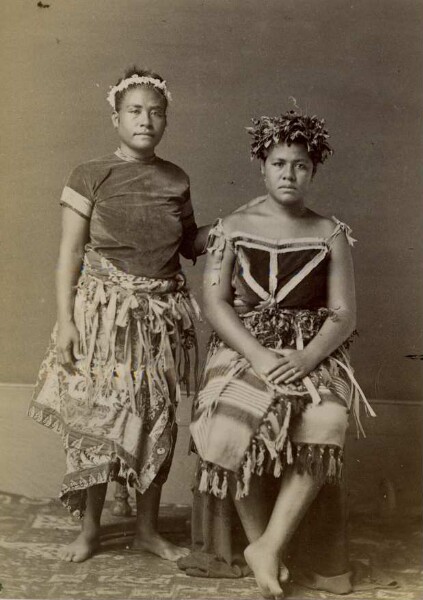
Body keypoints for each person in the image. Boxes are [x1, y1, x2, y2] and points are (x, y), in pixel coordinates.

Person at [179, 111, 375, 598]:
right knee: (227, 418)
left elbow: (344, 314)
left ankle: (270, 545)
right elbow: (215, 302)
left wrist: (307, 358)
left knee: (327, 416)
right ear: (262, 166)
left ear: (314, 170)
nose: (289, 174)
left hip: (308, 346)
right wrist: (259, 356)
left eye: (301, 165)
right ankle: (258, 540)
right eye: (279, 163)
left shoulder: (330, 232)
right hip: (245, 342)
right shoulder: (232, 226)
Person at [28, 67, 210, 563]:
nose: (145, 120)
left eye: (155, 112)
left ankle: (148, 530)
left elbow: (189, 240)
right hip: (103, 316)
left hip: (159, 320)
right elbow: (69, 253)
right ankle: (90, 529)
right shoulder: (90, 174)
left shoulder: (176, 177)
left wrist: (225, 231)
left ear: (166, 120)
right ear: (115, 118)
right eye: (135, 111)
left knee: (156, 417)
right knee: (99, 417)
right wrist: (66, 322)